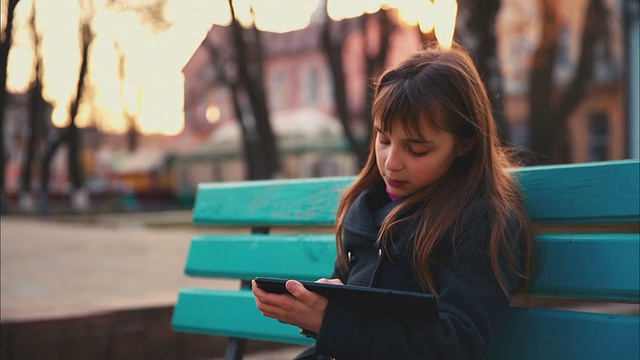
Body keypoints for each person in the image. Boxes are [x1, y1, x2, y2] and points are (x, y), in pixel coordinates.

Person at [252, 42, 536, 360]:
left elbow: (457, 344)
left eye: (417, 150)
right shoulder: (365, 208)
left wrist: (329, 320)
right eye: (384, 139)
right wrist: (320, 306)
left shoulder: (480, 221)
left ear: (464, 145)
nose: (391, 163)